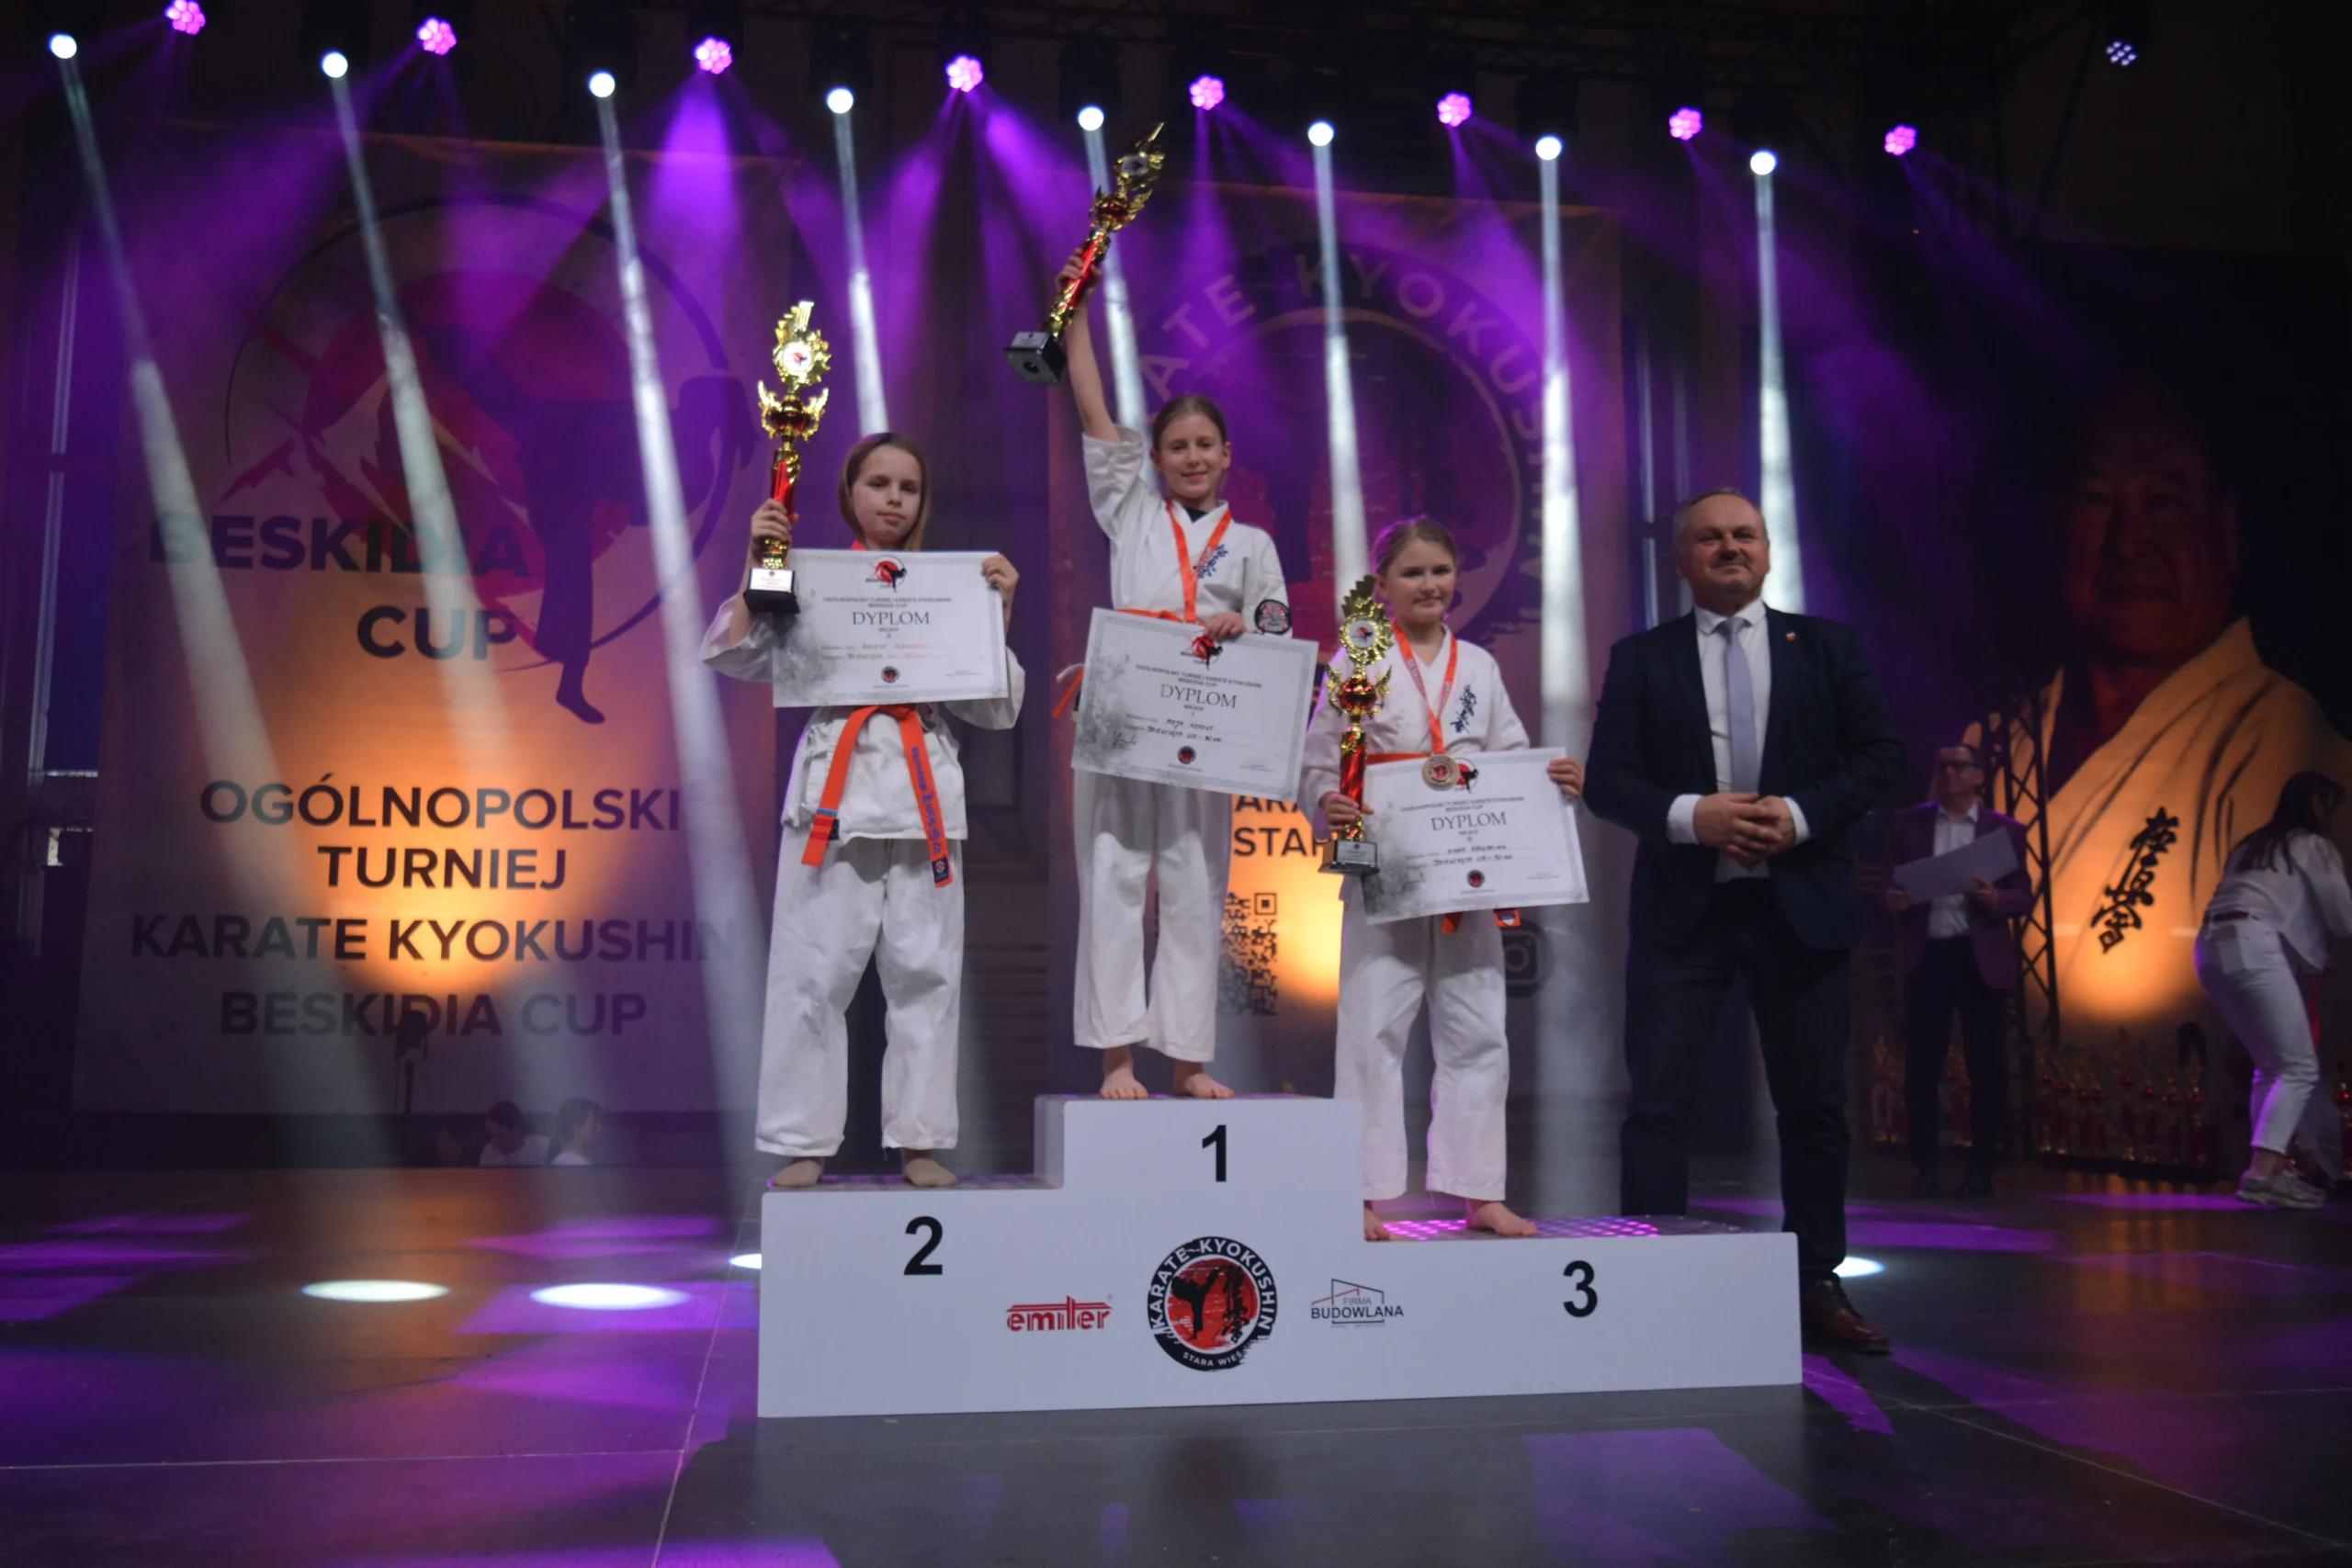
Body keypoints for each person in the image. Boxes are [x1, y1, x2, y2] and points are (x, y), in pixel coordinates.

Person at [1585, 488, 1906, 1352]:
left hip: (1802, 906)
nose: (1730, 548)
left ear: (1767, 551)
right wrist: (1693, 815)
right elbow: (1607, 780)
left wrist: (1799, 815)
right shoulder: (1640, 657)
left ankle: (1815, 1282)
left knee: (1815, 1106)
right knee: (1659, 1104)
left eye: (1744, 535)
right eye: (1710, 538)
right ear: (1681, 560)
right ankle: (1651, 1283)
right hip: (1684, 912)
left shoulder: (1828, 647)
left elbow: (1882, 757)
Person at [1974, 380, 2352, 1044]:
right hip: (1993, 1094)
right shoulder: (1995, 744)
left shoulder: (2280, 737)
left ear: (2226, 532)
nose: (2129, 542)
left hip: (2180, 1104)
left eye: (2163, 502)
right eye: (2096, 501)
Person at [702, 433, 1025, 1190]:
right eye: (878, 483)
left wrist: (1000, 609)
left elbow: (994, 707)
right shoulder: (816, 578)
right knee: (812, 973)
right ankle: (802, 1141)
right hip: (834, 796)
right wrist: (759, 566)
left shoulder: (952, 586)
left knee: (927, 976)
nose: (893, 498)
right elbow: (738, 655)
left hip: (924, 797)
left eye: (908, 487)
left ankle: (919, 1140)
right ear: (850, 494)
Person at [1300, 518, 1585, 1240]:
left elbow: (1510, 753)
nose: (1429, 584)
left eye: (1440, 571)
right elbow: (1319, 757)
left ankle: (1478, 1190)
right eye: (1412, 573)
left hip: (1466, 867)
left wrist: (1549, 780)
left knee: (1478, 1026)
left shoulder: (1479, 667)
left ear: (1457, 577)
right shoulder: (1358, 659)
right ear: (1383, 585)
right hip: (1387, 861)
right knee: (1371, 1027)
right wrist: (1327, 800)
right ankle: (1360, 1191)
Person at [1056, 250, 1292, 1100]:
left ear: (1227, 455)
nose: (1192, 456)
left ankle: (1188, 1059)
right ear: (1152, 456)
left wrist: (1244, 626)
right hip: (1126, 711)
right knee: (1113, 876)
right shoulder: (1132, 513)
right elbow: (1092, 410)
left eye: (1205, 445)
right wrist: (1076, 315)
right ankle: (1117, 1057)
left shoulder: (1253, 543)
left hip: (1206, 725)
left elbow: (1278, 626)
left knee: (1195, 885)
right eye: (1177, 446)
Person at [2195, 773, 2352, 1209]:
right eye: (2331, 807)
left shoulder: (2252, 846)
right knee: (2298, 1066)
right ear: (2317, 803)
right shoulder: (2311, 844)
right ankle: (2264, 1171)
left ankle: (2270, 1169)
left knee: (2271, 1065)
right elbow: (2343, 919)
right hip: (2254, 944)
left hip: (2210, 948)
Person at [1883, 744, 2034, 1198]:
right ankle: (1925, 1165)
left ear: (1978, 776)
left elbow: (2024, 895)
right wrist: (1893, 899)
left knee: (1987, 1066)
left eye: (1959, 766)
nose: (1949, 773)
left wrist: (1997, 900)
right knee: (1922, 1066)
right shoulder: (1908, 823)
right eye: (1942, 766)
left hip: (1978, 957)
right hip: (1927, 954)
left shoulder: (2005, 830)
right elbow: (1887, 885)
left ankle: (1982, 1166)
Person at [479, 1101, 550, 1168]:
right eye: (491, 1135)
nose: (494, 1142)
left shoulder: (543, 1147)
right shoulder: (489, 1152)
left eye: (499, 1135)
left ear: (516, 1130)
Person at [551, 1098, 604, 1167]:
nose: (600, 1127)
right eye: (594, 1121)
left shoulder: (579, 1159)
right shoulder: (568, 1162)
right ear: (576, 1126)